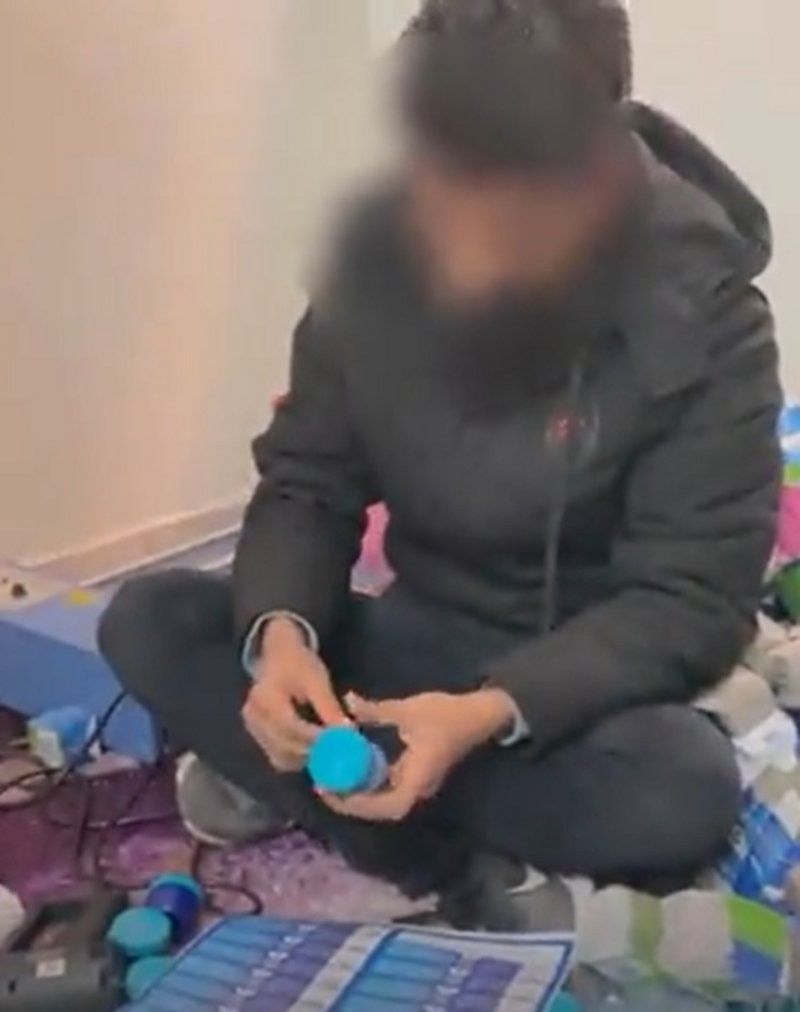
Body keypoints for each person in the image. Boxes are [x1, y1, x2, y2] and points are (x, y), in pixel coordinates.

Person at [100, 0, 782, 918]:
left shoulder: (709, 313)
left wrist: (487, 712)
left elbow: (690, 599)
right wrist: (283, 640)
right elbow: (308, 483)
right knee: (150, 619)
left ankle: (365, 818)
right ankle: (397, 817)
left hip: (577, 682)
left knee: (681, 790)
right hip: (412, 636)